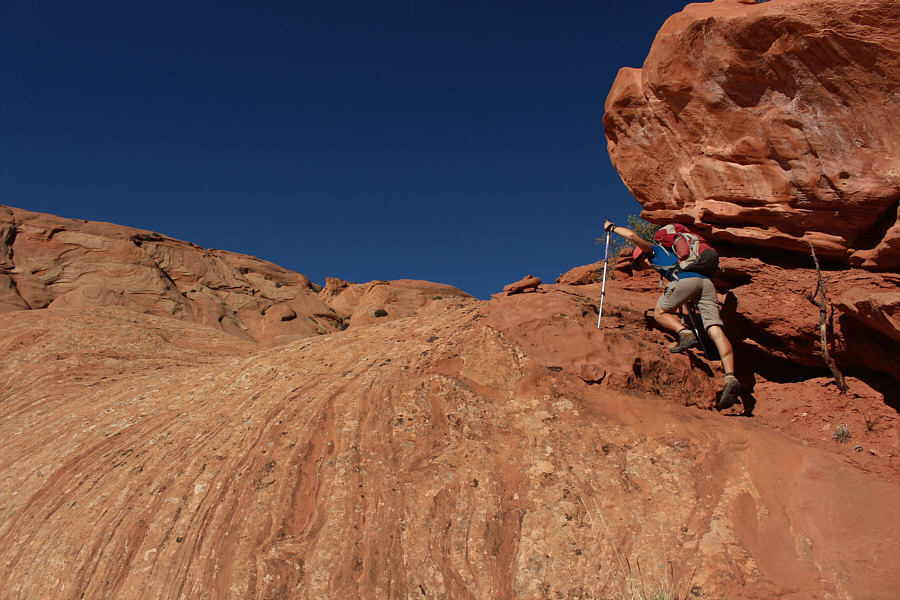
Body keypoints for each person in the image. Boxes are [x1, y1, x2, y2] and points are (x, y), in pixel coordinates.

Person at [603, 219, 741, 411]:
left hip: (686, 282)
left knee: (660, 313)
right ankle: (730, 376)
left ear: (642, 255)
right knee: (714, 329)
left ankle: (685, 334)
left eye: (638, 263)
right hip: (706, 283)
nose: (639, 267)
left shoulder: (653, 251)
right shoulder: (674, 256)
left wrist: (612, 228)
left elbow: (633, 236)